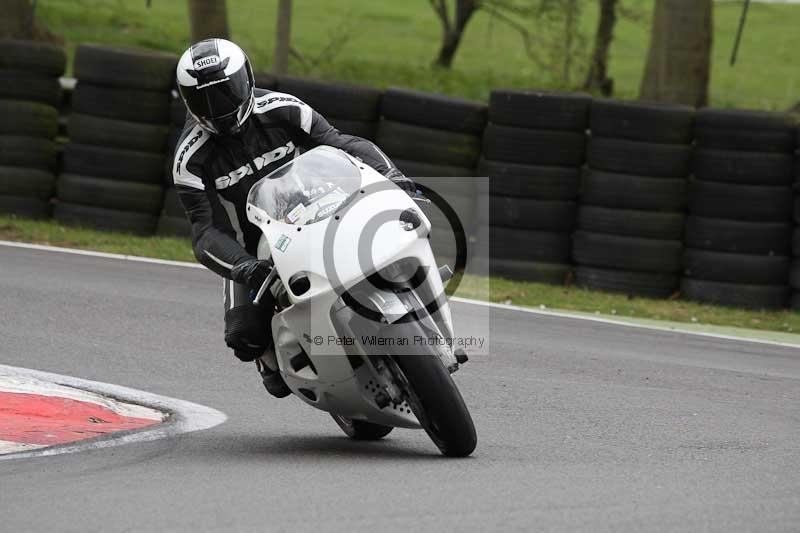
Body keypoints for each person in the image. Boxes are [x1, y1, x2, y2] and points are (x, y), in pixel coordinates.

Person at [173, 38, 413, 397]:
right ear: (187, 101)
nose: (218, 107)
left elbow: (340, 145)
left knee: (392, 250)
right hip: (256, 248)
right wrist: (243, 266)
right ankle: (275, 358)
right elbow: (205, 230)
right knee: (246, 338)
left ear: (247, 79)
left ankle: (417, 314)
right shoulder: (190, 159)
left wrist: (392, 177)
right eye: (203, 99)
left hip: (321, 209)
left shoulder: (283, 109)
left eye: (226, 92)